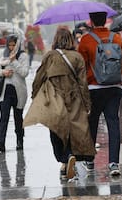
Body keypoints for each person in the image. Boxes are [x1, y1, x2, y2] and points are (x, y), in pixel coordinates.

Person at [25, 27, 94, 180]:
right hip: (74, 97)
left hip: (54, 98)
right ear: (70, 39)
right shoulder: (77, 57)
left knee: (56, 130)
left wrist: (35, 95)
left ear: (56, 39)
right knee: (73, 129)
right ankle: (70, 157)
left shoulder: (49, 56)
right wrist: (87, 103)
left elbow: (39, 77)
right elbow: (83, 83)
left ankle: (65, 158)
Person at [78, 11, 122, 177]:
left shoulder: (86, 39)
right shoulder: (117, 38)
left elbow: (81, 66)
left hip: (94, 88)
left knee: (92, 123)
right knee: (113, 122)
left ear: (91, 21)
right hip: (115, 87)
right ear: (105, 21)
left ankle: (90, 160)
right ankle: (113, 163)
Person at [0, 35, 29, 152]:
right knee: (4, 117)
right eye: (9, 45)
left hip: (19, 93)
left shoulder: (23, 56)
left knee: (18, 118)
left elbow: (24, 73)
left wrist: (14, 61)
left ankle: (20, 141)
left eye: (14, 45)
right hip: (4, 92)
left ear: (18, 45)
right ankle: (1, 142)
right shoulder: (3, 55)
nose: (11, 47)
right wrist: (4, 72)